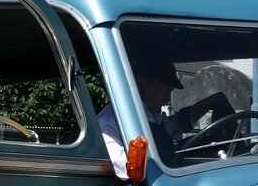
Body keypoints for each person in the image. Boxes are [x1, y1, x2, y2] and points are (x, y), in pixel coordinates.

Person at [99, 58, 230, 178]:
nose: (167, 99)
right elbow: (125, 170)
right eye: (164, 91)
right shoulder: (110, 121)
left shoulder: (150, 116)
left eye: (170, 92)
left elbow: (177, 122)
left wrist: (211, 102)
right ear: (141, 85)